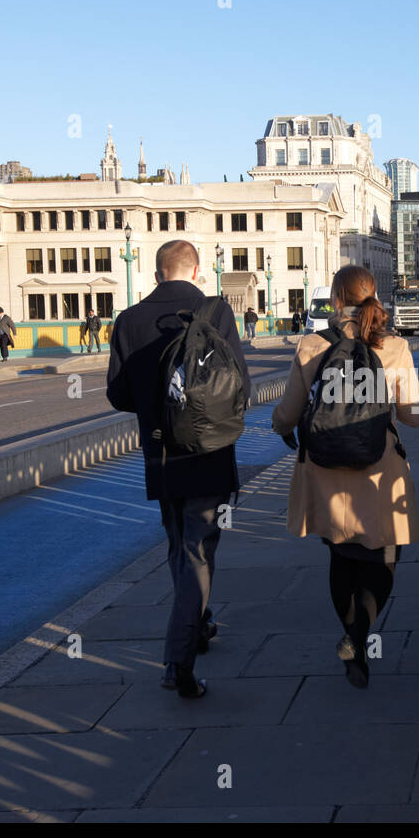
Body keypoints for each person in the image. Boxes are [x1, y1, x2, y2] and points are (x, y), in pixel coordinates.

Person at [106, 239, 251, 699]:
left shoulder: (128, 321)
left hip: (160, 456)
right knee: (197, 554)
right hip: (208, 453)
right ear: (197, 270)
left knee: (179, 546)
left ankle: (198, 624)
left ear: (155, 274)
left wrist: (157, 407)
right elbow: (239, 385)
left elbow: (118, 395)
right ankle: (178, 660)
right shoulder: (215, 312)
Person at [271, 265, 419, 689]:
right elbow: (414, 415)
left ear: (336, 301)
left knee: (340, 555)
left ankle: (350, 634)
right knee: (385, 556)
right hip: (380, 473)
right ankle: (357, 636)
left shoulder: (311, 345)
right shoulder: (393, 346)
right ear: (373, 295)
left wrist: (280, 427)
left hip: (325, 471)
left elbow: (287, 413)